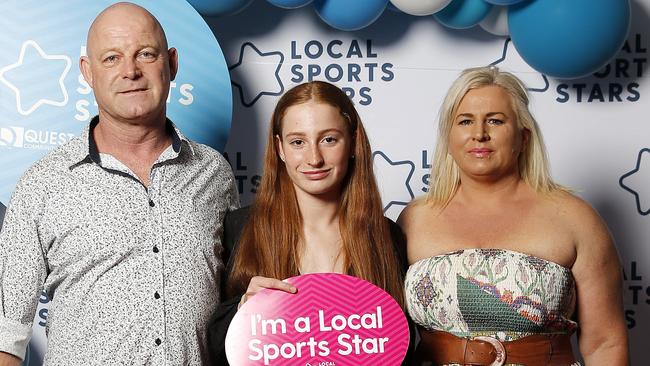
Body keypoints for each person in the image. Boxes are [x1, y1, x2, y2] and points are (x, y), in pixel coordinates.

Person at [0, 3, 238, 365]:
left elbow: (234, 308)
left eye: (146, 53)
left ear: (171, 63)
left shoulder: (214, 174)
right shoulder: (43, 184)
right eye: (111, 58)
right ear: (88, 72)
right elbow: (7, 334)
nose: (131, 71)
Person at [398, 66, 629, 365]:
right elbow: (383, 334)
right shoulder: (414, 219)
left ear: (523, 137)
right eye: (465, 121)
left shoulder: (574, 218)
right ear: (449, 138)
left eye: (495, 120)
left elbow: (605, 344)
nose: (479, 134)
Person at [207, 80, 413, 365]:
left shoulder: (386, 235)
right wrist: (243, 311)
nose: (314, 158)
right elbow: (212, 343)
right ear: (280, 148)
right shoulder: (239, 228)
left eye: (329, 139)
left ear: (353, 142)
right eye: (298, 142)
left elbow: (403, 341)